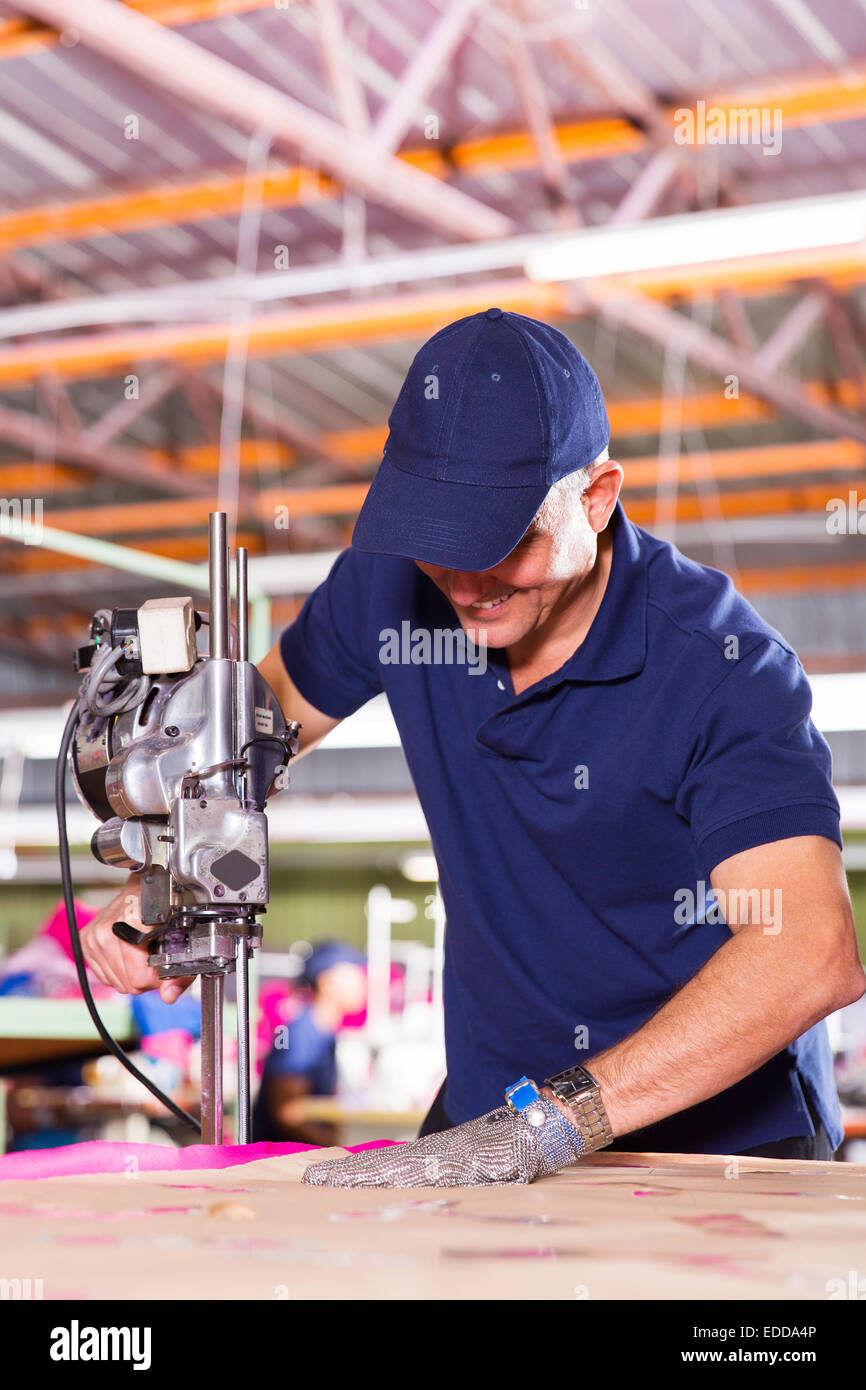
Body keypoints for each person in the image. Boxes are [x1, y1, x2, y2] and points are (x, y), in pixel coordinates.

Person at [80, 308, 865, 1189]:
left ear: (597, 498)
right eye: (438, 543)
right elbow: (251, 736)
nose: (465, 584)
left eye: (504, 543)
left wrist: (547, 1130)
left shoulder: (724, 668)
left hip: (718, 1136)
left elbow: (807, 952)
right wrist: (177, 880)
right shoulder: (392, 586)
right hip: (491, 1106)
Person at [251, 941, 366, 1145]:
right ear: (327, 982)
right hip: (281, 1163)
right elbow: (286, 1113)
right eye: (354, 975)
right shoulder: (301, 1034)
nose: (362, 982)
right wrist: (342, 1150)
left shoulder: (321, 1032)